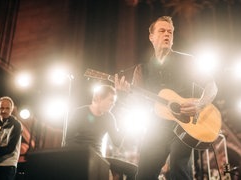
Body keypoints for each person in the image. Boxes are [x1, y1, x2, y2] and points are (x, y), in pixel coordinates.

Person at [115, 16, 218, 180]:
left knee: (179, 170)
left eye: (170, 32)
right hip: (156, 130)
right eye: (162, 31)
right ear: (151, 37)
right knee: (143, 176)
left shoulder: (186, 61)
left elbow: (211, 85)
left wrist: (200, 104)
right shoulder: (142, 70)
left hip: (184, 127)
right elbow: (136, 104)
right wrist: (122, 93)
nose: (167, 34)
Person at [65, 85, 137, 179]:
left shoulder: (109, 117)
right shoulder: (80, 112)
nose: (113, 104)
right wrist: (83, 154)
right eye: (111, 100)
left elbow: (117, 142)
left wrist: (126, 124)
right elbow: (68, 139)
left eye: (114, 102)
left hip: (99, 158)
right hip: (79, 155)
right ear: (99, 98)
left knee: (134, 170)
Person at [0, 96, 22, 180]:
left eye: (7, 108)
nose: (4, 111)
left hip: (7, 166)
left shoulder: (16, 124)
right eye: (1, 108)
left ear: (11, 109)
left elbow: (10, 148)